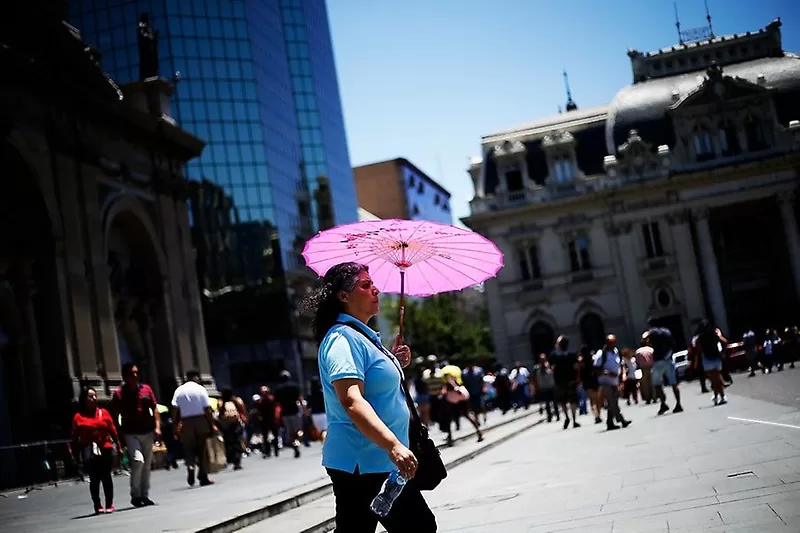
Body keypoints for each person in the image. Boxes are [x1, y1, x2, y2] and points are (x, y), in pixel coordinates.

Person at [304, 262, 437, 532]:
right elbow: (351, 401)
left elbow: (376, 384)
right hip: (364, 462)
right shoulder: (341, 339)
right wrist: (394, 446)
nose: (375, 289)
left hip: (379, 461)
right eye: (365, 285)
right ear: (343, 296)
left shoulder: (362, 337)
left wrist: (392, 360)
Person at [111, 363, 161, 507]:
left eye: (137, 373)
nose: (135, 376)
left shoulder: (146, 389)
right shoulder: (119, 393)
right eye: (132, 373)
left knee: (147, 464)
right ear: (125, 376)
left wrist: (157, 428)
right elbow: (115, 416)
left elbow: (155, 409)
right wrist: (119, 435)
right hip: (130, 432)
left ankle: (144, 495)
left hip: (148, 431)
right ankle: (135, 494)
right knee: (138, 461)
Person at [72, 387, 121, 514]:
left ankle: (109, 503)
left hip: (105, 448)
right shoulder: (78, 417)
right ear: (84, 399)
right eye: (90, 396)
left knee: (106, 477)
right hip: (88, 450)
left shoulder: (104, 412)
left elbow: (113, 430)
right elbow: (74, 437)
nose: (94, 398)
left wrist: (118, 446)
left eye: (95, 396)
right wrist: (76, 454)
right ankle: (97, 504)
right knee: (94, 478)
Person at [172, 370, 216, 487]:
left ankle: (190, 466)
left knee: (188, 448)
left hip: (186, 421)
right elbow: (207, 408)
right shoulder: (200, 389)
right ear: (196, 377)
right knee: (202, 449)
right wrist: (211, 425)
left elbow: (175, 409)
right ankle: (203, 476)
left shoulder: (179, 390)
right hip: (200, 420)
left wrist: (175, 425)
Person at [593, 335, 631, 431]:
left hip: (615, 382)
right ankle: (621, 419)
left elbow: (621, 364)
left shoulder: (616, 352)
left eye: (614, 342)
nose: (612, 345)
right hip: (605, 382)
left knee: (612, 402)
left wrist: (622, 377)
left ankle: (610, 423)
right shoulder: (601, 353)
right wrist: (608, 373)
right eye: (610, 343)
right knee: (612, 402)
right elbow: (596, 368)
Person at [646, 318, 683, 415]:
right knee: (674, 383)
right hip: (668, 359)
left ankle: (663, 403)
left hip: (658, 360)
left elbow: (644, 338)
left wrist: (648, 342)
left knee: (657, 384)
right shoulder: (667, 332)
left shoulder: (652, 332)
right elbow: (673, 344)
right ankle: (678, 403)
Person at [694, 320, 727, 406]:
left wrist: (697, 362)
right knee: (716, 379)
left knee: (714, 380)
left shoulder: (699, 338)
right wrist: (722, 352)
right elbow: (724, 341)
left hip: (707, 360)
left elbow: (698, 350)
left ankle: (722, 396)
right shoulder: (714, 335)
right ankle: (716, 397)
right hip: (716, 358)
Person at [550, 336, 580, 430]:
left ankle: (567, 417)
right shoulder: (571, 354)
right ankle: (574, 419)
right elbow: (576, 366)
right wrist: (577, 378)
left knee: (562, 401)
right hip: (571, 380)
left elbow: (550, 366)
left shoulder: (554, 355)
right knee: (573, 400)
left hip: (560, 381)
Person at [275, 370, 305, 458]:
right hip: (295, 411)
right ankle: (297, 442)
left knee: (290, 431)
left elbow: (277, 403)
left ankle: (294, 443)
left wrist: (277, 415)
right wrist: (304, 409)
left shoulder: (279, 389)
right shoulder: (294, 386)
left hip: (285, 413)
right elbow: (300, 398)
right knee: (299, 430)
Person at [218, 388, 247, 470]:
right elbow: (220, 413)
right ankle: (233, 459)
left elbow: (242, 410)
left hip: (234, 424)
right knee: (231, 443)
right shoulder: (221, 402)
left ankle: (236, 461)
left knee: (236, 442)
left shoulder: (236, 401)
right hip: (228, 425)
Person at [577, 345, 602, 424]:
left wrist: (579, 380)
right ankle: (598, 414)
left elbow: (579, 371)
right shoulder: (593, 358)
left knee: (592, 399)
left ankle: (596, 415)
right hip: (594, 379)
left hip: (586, 380)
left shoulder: (581, 360)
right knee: (597, 398)